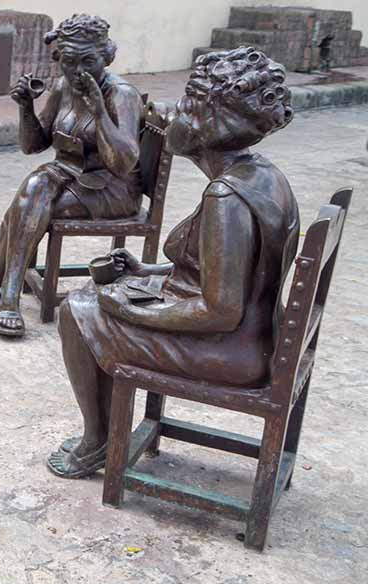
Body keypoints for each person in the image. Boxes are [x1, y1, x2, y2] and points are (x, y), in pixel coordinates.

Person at [48, 47, 299, 478]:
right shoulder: (261, 174)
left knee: (79, 310)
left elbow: (219, 309)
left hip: (232, 350)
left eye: (184, 105)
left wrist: (129, 309)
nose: (170, 114)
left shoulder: (226, 199)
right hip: (253, 335)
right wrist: (148, 274)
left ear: (207, 124)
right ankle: (104, 431)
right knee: (97, 298)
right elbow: (228, 277)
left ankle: (97, 441)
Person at [0, 14, 142, 338]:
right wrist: (26, 107)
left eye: (88, 61)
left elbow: (124, 162)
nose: (78, 71)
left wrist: (99, 110)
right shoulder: (63, 86)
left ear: (107, 56)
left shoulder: (122, 95)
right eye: (69, 62)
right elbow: (34, 145)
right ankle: (1, 282)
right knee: (33, 192)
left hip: (110, 188)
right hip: (67, 177)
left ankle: (4, 287)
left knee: (31, 200)